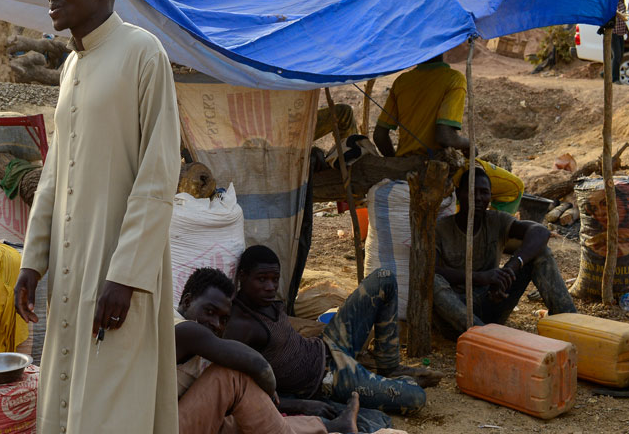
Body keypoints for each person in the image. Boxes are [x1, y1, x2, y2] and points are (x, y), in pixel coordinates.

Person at [13, 0, 181, 433]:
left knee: (112, 407)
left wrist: (126, 274)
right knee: (67, 398)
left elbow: (159, 171)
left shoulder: (143, 53)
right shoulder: (70, 67)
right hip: (70, 269)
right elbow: (54, 172)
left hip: (119, 272)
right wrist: (32, 259)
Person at [227, 246, 438, 416]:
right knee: (416, 397)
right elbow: (244, 391)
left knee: (385, 278)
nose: (270, 287)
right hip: (329, 379)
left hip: (328, 344)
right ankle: (387, 382)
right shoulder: (242, 327)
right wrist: (299, 405)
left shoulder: (266, 301)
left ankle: (388, 367)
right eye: (262, 279)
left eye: (274, 279)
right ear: (242, 277)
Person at [176, 267, 359, 434]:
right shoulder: (182, 328)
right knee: (231, 375)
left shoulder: (197, 340)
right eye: (209, 312)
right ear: (187, 301)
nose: (216, 324)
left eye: (223, 320)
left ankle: (331, 426)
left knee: (245, 420)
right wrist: (269, 387)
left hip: (176, 420)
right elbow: (256, 363)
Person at [433, 167, 576, 337]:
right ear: (459, 194)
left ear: (490, 197)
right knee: (431, 280)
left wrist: (511, 268)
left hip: (492, 305)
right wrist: (481, 277)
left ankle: (570, 325)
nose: (478, 198)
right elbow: (432, 270)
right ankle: (484, 337)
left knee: (541, 253)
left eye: (484, 192)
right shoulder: (441, 228)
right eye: (472, 192)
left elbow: (540, 232)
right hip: (456, 315)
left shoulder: (496, 221)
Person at [373, 53, 524, 213]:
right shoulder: (453, 78)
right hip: (440, 166)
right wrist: (469, 145)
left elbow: (379, 136)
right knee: (514, 188)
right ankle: (488, 234)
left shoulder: (402, 81)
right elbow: (444, 136)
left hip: (407, 165)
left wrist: (398, 164)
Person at [600, 0, 628, 84]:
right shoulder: (613, 1)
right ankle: (615, 78)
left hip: (620, 33)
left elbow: (623, 19)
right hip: (614, 32)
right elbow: (613, 14)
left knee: (619, 55)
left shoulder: (621, 1)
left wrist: (626, 31)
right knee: (616, 55)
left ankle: (606, 73)